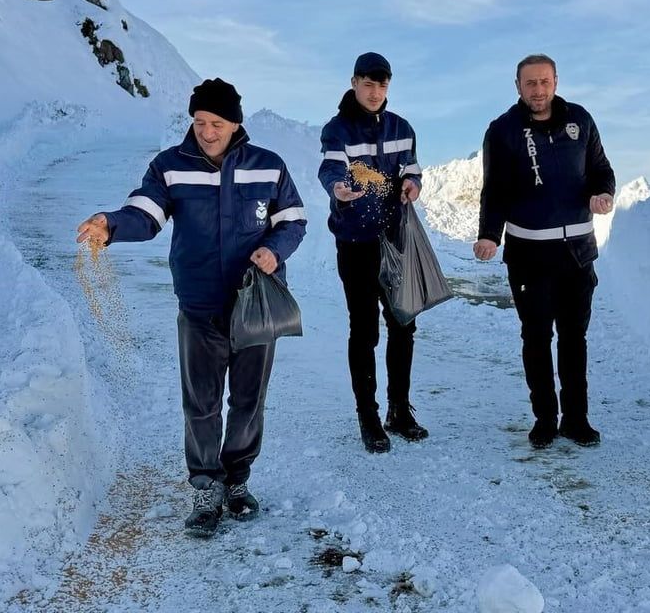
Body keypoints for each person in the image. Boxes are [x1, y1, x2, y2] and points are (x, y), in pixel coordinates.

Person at [76, 78, 307, 537]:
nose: (206, 131)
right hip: (200, 304)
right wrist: (111, 224)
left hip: (255, 304)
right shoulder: (170, 167)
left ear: (235, 123)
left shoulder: (268, 167)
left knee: (248, 401)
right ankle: (206, 488)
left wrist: (275, 251)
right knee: (200, 403)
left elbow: (293, 219)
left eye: (216, 123)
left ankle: (237, 482)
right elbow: (146, 213)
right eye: (199, 122)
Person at [473, 54, 615, 450]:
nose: (538, 90)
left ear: (556, 81)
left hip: (577, 253)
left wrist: (602, 193)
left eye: (544, 82)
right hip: (529, 255)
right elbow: (495, 190)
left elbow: (601, 169)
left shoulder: (580, 120)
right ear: (517, 86)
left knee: (574, 338)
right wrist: (489, 235)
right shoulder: (502, 130)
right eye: (530, 83)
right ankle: (545, 420)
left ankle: (576, 419)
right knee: (536, 338)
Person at [317, 52, 428, 453]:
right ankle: (369, 416)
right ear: (354, 83)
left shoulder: (402, 127)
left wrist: (412, 185)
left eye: (382, 85)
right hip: (355, 243)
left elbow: (411, 169)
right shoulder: (337, 130)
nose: (375, 92)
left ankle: (399, 410)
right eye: (368, 84)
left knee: (404, 324)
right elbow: (330, 169)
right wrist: (338, 190)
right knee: (364, 329)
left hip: (395, 239)